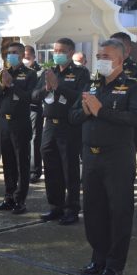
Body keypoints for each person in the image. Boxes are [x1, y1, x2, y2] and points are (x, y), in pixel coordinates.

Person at [70, 38, 137, 275]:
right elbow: (73, 115)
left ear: (120, 60)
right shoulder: (92, 85)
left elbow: (136, 119)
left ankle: (114, 264)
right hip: (91, 157)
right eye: (99, 56)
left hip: (118, 159)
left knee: (119, 211)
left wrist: (101, 111)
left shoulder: (132, 86)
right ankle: (98, 258)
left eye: (107, 57)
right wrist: (86, 110)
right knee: (93, 211)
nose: (101, 60)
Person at [32, 38, 90, 225]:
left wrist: (59, 86)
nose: (57, 53)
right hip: (49, 124)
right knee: (50, 165)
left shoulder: (80, 73)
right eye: (55, 50)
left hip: (70, 126)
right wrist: (46, 88)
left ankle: (71, 208)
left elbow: (81, 97)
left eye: (61, 50)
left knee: (69, 168)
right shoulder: (48, 72)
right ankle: (55, 206)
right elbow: (34, 96)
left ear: (71, 52)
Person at [0, 42, 38, 214]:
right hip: (4, 123)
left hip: (20, 123)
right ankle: (9, 197)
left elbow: (30, 98)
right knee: (8, 163)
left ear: (21, 55)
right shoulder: (3, 74)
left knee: (21, 163)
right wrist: (3, 85)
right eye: (8, 53)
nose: (10, 55)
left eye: (14, 52)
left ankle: (20, 200)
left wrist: (12, 85)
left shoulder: (30, 74)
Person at [111, 32, 137, 152]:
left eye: (115, 45)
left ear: (127, 49)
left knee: (125, 162)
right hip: (106, 122)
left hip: (127, 124)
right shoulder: (105, 68)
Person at [24, 45, 44, 183]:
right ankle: (23, 169)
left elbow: (38, 93)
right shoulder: (16, 71)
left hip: (34, 109)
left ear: (34, 57)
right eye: (23, 57)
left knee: (34, 139)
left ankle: (34, 170)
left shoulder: (40, 71)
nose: (25, 60)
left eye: (27, 57)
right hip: (19, 109)